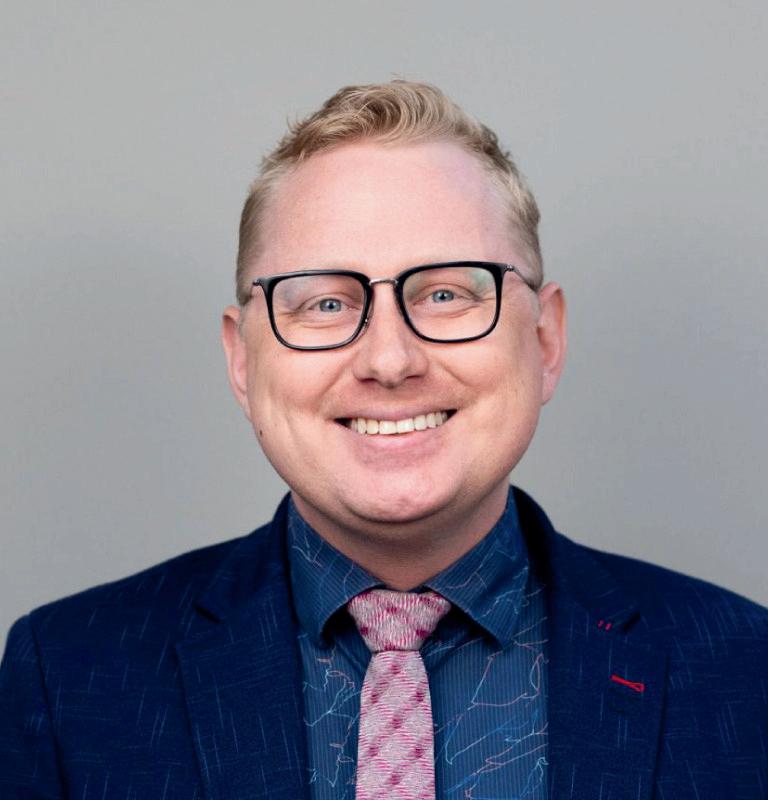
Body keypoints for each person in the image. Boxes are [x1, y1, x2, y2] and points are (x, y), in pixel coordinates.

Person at [0, 80, 765, 800]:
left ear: (545, 339)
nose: (390, 360)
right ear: (242, 360)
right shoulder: (69, 679)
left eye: (446, 293)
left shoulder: (744, 672)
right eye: (326, 303)